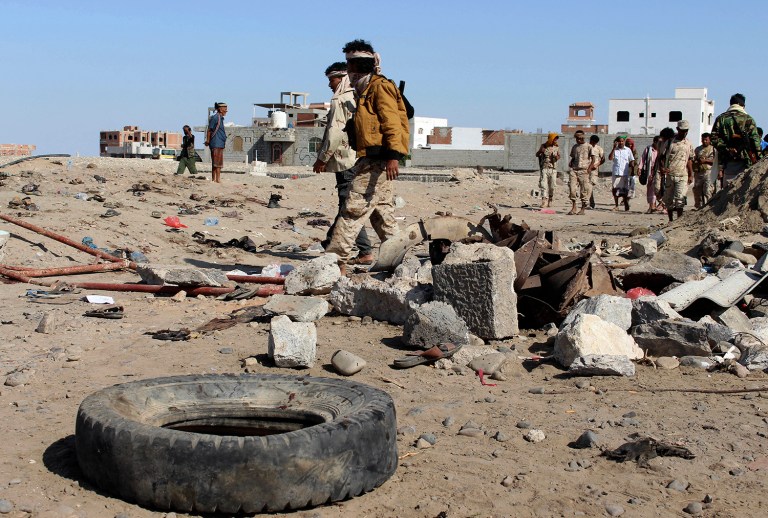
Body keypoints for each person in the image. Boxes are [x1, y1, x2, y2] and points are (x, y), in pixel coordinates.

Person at [325, 39, 410, 271]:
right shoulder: (365, 88)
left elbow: (392, 122)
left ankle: (334, 262)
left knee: (353, 209)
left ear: (356, 66)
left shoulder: (379, 87)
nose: (347, 71)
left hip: (379, 159)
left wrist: (393, 156)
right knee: (382, 215)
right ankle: (400, 260)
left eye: (349, 65)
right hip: (372, 158)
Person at [313, 62, 373, 264]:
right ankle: (361, 249)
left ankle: (347, 247)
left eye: (332, 79)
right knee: (349, 204)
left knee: (346, 205)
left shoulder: (340, 99)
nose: (330, 84)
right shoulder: (359, 96)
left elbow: (334, 132)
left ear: (341, 78)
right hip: (359, 157)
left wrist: (322, 158)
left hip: (344, 160)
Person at [710, 93, 761, 184]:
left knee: (728, 191)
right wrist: (758, 158)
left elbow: (714, 139)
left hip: (728, 162)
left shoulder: (720, 119)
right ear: (743, 105)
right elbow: (755, 141)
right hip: (746, 161)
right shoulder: (748, 119)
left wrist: (727, 149)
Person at [660, 120, 694, 222]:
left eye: (686, 131)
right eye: (682, 130)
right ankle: (670, 220)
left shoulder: (688, 143)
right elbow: (661, 157)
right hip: (670, 174)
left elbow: (690, 159)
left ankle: (678, 221)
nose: (684, 133)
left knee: (680, 199)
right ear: (678, 129)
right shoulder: (670, 142)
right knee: (669, 200)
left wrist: (691, 174)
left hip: (682, 174)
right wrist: (662, 168)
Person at [567, 130, 594, 215]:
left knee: (584, 190)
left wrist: (589, 168)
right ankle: (574, 206)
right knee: (572, 188)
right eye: (577, 139)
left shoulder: (589, 146)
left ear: (583, 138)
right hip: (574, 169)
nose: (578, 140)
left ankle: (583, 208)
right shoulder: (575, 147)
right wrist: (571, 162)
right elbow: (573, 157)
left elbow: (593, 159)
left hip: (584, 170)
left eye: (580, 138)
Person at [608, 136, 635, 211]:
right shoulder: (615, 150)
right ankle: (616, 205)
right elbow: (610, 158)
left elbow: (632, 160)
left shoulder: (628, 150)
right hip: (616, 173)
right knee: (615, 190)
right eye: (619, 141)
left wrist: (632, 170)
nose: (621, 143)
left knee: (625, 190)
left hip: (625, 173)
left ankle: (626, 203)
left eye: (622, 141)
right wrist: (613, 148)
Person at [535, 133, 560, 208]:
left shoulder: (556, 147)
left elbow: (559, 156)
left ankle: (550, 199)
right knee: (543, 185)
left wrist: (556, 157)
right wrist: (541, 151)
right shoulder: (544, 146)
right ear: (550, 139)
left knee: (552, 186)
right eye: (554, 139)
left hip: (553, 169)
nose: (555, 140)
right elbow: (537, 154)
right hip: (544, 168)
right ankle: (544, 200)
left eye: (556, 139)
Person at [205, 102, 227, 183]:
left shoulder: (220, 118)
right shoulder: (215, 118)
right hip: (216, 143)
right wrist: (208, 140)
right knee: (217, 163)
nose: (226, 110)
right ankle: (217, 179)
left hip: (219, 143)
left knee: (216, 162)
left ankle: (214, 179)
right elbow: (209, 130)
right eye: (224, 108)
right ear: (220, 109)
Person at [693, 133, 716, 208]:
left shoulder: (713, 149)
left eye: (706, 140)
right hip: (699, 172)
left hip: (709, 172)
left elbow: (716, 161)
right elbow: (694, 159)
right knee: (697, 191)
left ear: (709, 140)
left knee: (707, 190)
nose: (704, 141)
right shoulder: (698, 149)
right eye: (703, 140)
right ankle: (699, 206)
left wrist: (706, 161)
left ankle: (708, 206)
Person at [638, 136, 660, 213]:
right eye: (657, 142)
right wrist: (640, 168)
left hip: (659, 171)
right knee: (651, 189)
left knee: (658, 188)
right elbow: (643, 159)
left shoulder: (662, 149)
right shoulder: (648, 149)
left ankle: (658, 205)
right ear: (654, 142)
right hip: (649, 171)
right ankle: (651, 206)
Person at [588, 135, 605, 208]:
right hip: (586, 169)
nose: (593, 144)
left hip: (593, 170)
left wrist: (597, 165)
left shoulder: (599, 149)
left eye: (595, 143)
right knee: (586, 186)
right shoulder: (586, 147)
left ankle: (590, 202)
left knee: (590, 186)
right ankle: (590, 202)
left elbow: (603, 159)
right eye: (592, 142)